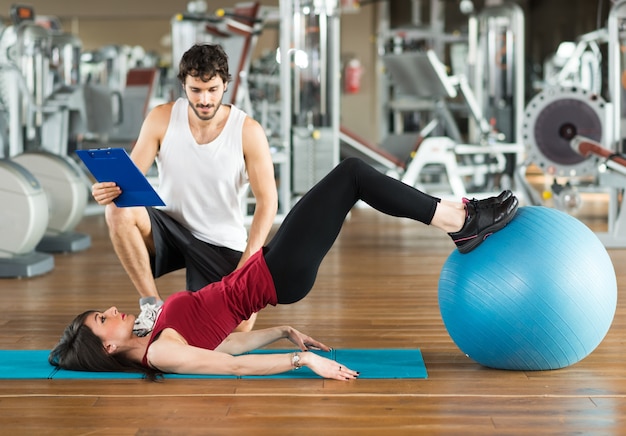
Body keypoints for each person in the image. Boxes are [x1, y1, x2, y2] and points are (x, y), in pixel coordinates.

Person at [51, 158, 518, 381]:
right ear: (108, 344)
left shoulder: (157, 338)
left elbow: (224, 339)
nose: (110, 309)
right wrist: (304, 361)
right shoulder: (159, 356)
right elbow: (230, 366)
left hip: (270, 269)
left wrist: (283, 331)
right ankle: (462, 221)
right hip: (278, 274)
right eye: (101, 318)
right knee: (351, 175)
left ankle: (463, 216)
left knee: (349, 178)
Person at [90, 44, 278, 335]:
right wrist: (105, 190)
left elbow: (268, 202)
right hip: (170, 229)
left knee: (239, 329)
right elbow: (127, 181)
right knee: (116, 208)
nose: (204, 99)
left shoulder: (248, 130)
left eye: (213, 90)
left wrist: (248, 263)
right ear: (184, 85)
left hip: (221, 241)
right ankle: (152, 306)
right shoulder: (161, 118)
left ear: (226, 85)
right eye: (196, 90)